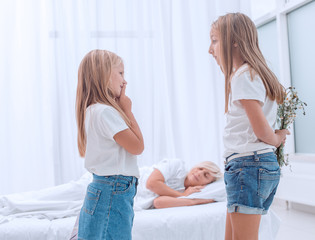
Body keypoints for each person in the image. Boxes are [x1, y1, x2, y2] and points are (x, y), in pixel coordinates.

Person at [208, 13, 290, 240]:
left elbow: (261, 130)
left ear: (234, 40)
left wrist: (277, 139)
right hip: (252, 165)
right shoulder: (255, 74)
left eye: (214, 40)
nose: (210, 49)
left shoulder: (243, 76)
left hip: (248, 165)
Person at [75, 49, 144, 239]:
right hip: (114, 190)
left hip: (106, 188)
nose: (124, 81)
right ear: (104, 75)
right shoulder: (105, 112)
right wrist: (127, 110)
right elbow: (137, 146)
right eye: (120, 73)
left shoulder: (93, 110)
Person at [137, 158, 223, 209]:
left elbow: (158, 203)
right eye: (200, 168)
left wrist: (195, 201)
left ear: (206, 184)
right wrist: (182, 195)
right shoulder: (177, 165)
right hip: (129, 181)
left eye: (206, 175)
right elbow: (151, 184)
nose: (199, 173)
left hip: (132, 200)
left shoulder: (189, 193)